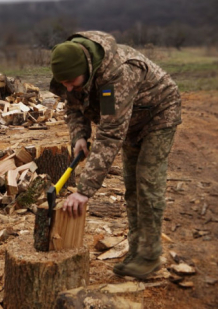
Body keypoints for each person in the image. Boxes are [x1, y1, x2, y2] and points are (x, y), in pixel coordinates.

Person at [49, 30, 181, 279]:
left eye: (71, 82)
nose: (67, 87)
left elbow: (110, 134)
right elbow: (74, 106)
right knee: (131, 186)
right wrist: (78, 136)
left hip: (158, 114)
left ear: (86, 69)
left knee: (148, 184)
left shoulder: (118, 74)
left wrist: (84, 190)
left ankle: (150, 256)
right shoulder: (70, 70)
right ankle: (136, 250)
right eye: (63, 83)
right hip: (130, 118)